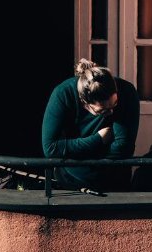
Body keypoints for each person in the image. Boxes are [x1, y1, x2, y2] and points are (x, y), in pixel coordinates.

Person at [41, 59, 140, 191]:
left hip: (115, 180)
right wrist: (98, 139)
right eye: (102, 111)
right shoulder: (63, 94)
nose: (111, 112)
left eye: (115, 105)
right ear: (84, 103)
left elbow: (123, 148)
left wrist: (76, 154)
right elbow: (51, 148)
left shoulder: (126, 91)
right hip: (71, 181)